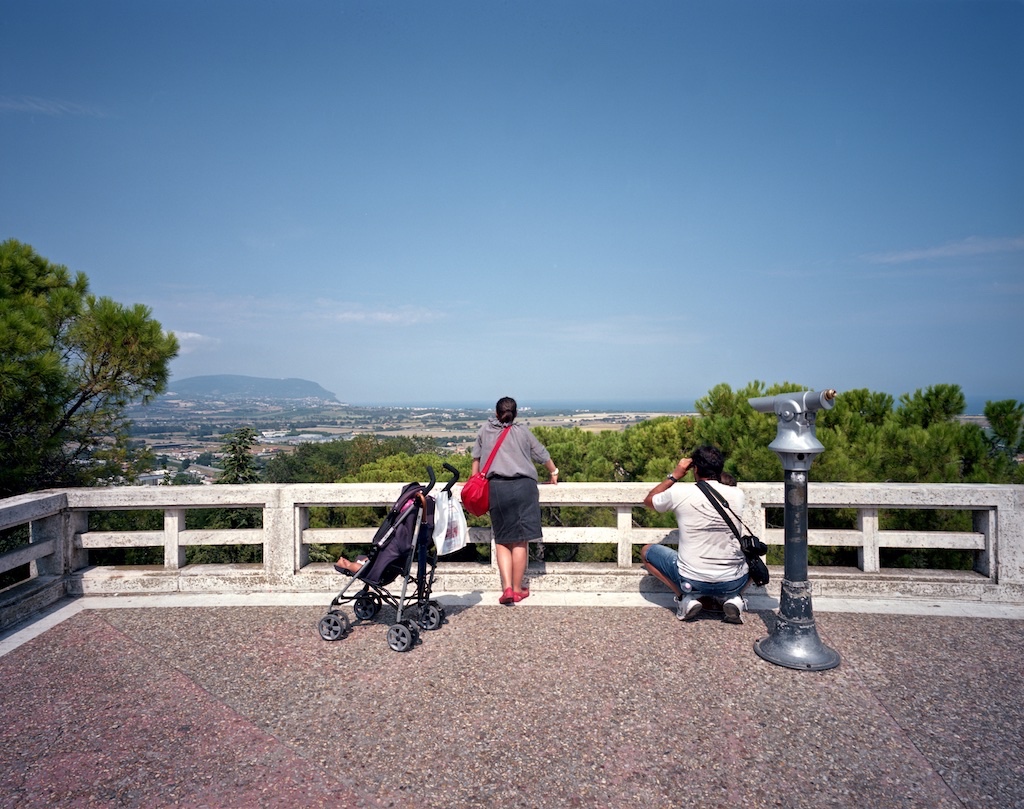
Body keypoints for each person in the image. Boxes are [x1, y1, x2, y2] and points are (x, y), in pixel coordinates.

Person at [640, 445, 748, 624]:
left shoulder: (679, 492)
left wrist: (675, 475)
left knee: (647, 552)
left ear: (694, 468)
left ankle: (685, 598)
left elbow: (649, 501)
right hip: (734, 580)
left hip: (691, 580)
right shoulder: (737, 494)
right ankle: (734, 598)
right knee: (753, 556)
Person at [471, 396, 558, 605]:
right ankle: (519, 589)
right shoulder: (522, 431)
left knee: (502, 540)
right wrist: (553, 472)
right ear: (515, 413)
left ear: (496, 412)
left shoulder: (485, 430)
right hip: (525, 488)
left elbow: (476, 458)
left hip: (498, 488)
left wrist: (473, 480)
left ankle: (507, 588)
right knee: (520, 540)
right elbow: (542, 454)